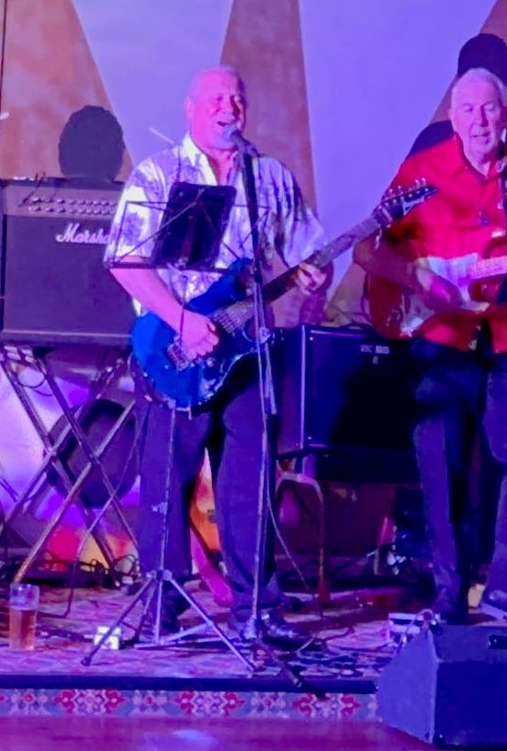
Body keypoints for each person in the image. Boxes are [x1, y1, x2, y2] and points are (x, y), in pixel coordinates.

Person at [105, 66, 326, 648]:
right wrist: (181, 318)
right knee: (168, 479)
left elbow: (305, 250)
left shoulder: (269, 176)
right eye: (217, 98)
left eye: (237, 97)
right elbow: (124, 260)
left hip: (246, 350)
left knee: (250, 482)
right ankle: (162, 604)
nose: (229, 107)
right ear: (190, 107)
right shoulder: (159, 174)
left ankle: (255, 607)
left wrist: (313, 276)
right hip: (174, 349)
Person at [355, 68, 507, 627]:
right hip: (443, 335)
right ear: (452, 117)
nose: (480, 120)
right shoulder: (422, 173)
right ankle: (448, 593)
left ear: (506, 116)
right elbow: (367, 249)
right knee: (442, 464)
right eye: (468, 110)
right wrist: (418, 278)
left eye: (489, 109)